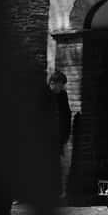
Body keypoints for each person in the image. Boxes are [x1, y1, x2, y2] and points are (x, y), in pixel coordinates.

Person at [44, 71, 72, 202]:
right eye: (61, 85)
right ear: (52, 83)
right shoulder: (43, 95)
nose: (62, 88)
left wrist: (65, 135)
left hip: (58, 138)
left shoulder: (62, 96)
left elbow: (67, 115)